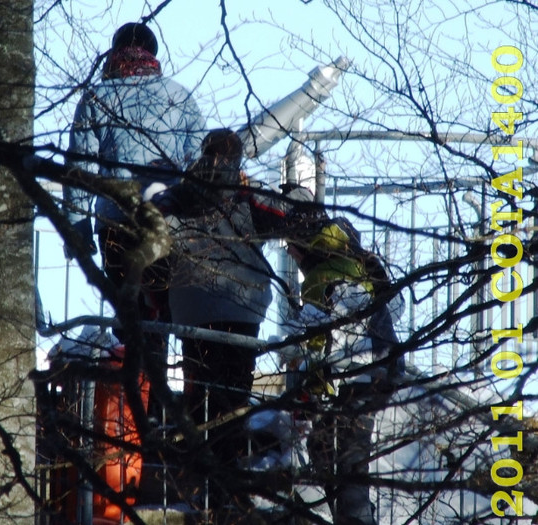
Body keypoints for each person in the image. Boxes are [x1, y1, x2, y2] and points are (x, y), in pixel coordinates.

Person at [62, 22, 205, 384]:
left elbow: (81, 169)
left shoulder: (97, 98)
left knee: (128, 317)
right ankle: (154, 410)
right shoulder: (180, 97)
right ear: (154, 55)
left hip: (115, 225)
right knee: (159, 316)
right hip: (165, 223)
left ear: (114, 53)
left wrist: (77, 230)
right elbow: (197, 169)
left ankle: (131, 405)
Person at [154, 129, 285, 506]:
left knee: (200, 387)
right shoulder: (248, 195)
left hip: (191, 305)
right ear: (237, 159)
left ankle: (198, 477)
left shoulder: (179, 193)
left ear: (204, 152)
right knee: (234, 390)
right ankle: (225, 480)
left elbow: (156, 229)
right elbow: (283, 218)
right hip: (239, 305)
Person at [282, 211, 404, 525]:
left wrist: (293, 355)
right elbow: (395, 309)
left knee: (338, 456)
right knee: (350, 460)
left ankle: (352, 519)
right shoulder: (360, 264)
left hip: (352, 376)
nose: (289, 255)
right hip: (379, 370)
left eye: (290, 248)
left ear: (305, 246)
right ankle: (353, 517)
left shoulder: (318, 277)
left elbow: (314, 341)